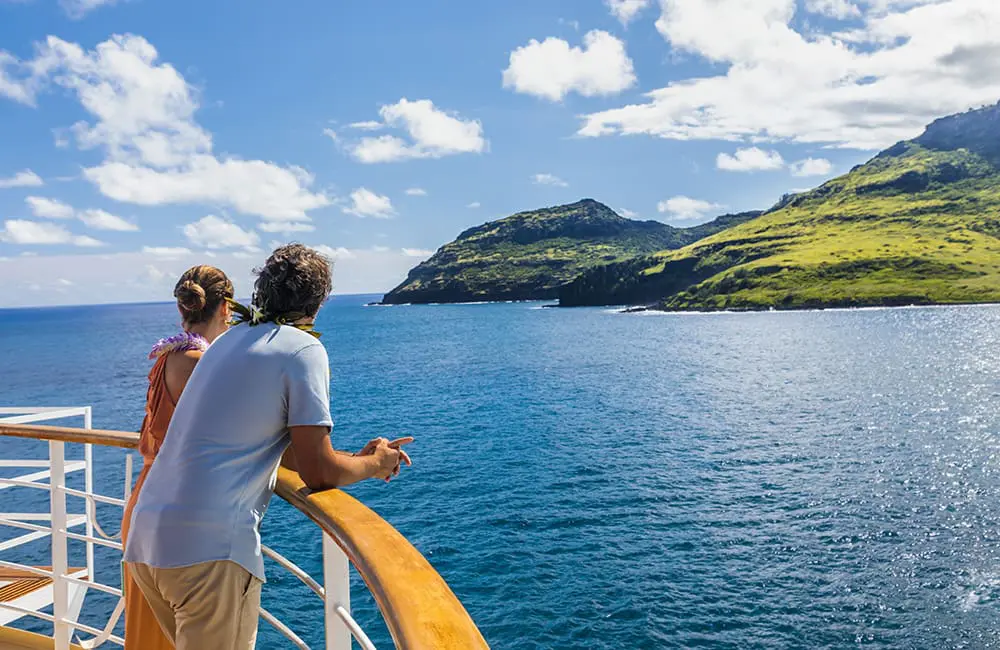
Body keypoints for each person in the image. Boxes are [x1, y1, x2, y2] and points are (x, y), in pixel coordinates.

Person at [124, 244, 412, 650]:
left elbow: (286, 449)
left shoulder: (227, 342)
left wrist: (355, 458)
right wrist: (377, 464)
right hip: (207, 553)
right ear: (318, 302)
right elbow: (316, 472)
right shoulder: (303, 349)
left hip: (147, 542)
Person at [121, 265, 234, 650]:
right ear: (225, 308)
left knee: (150, 634)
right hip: (171, 510)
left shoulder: (168, 355)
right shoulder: (198, 362)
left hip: (145, 503)